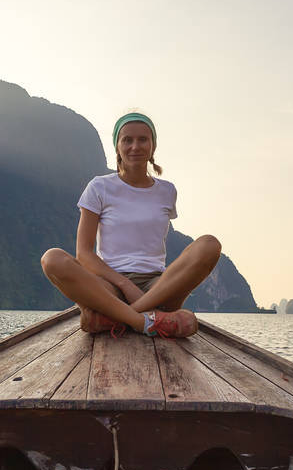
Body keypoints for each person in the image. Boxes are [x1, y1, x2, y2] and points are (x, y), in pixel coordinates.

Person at [40, 112, 222, 338]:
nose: (135, 146)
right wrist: (124, 284)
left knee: (209, 245)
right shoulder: (99, 187)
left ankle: (116, 317)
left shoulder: (167, 191)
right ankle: (146, 320)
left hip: (157, 286)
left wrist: (140, 296)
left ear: (153, 146)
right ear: (117, 146)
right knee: (52, 259)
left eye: (143, 139)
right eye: (127, 140)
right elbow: (84, 254)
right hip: (109, 286)